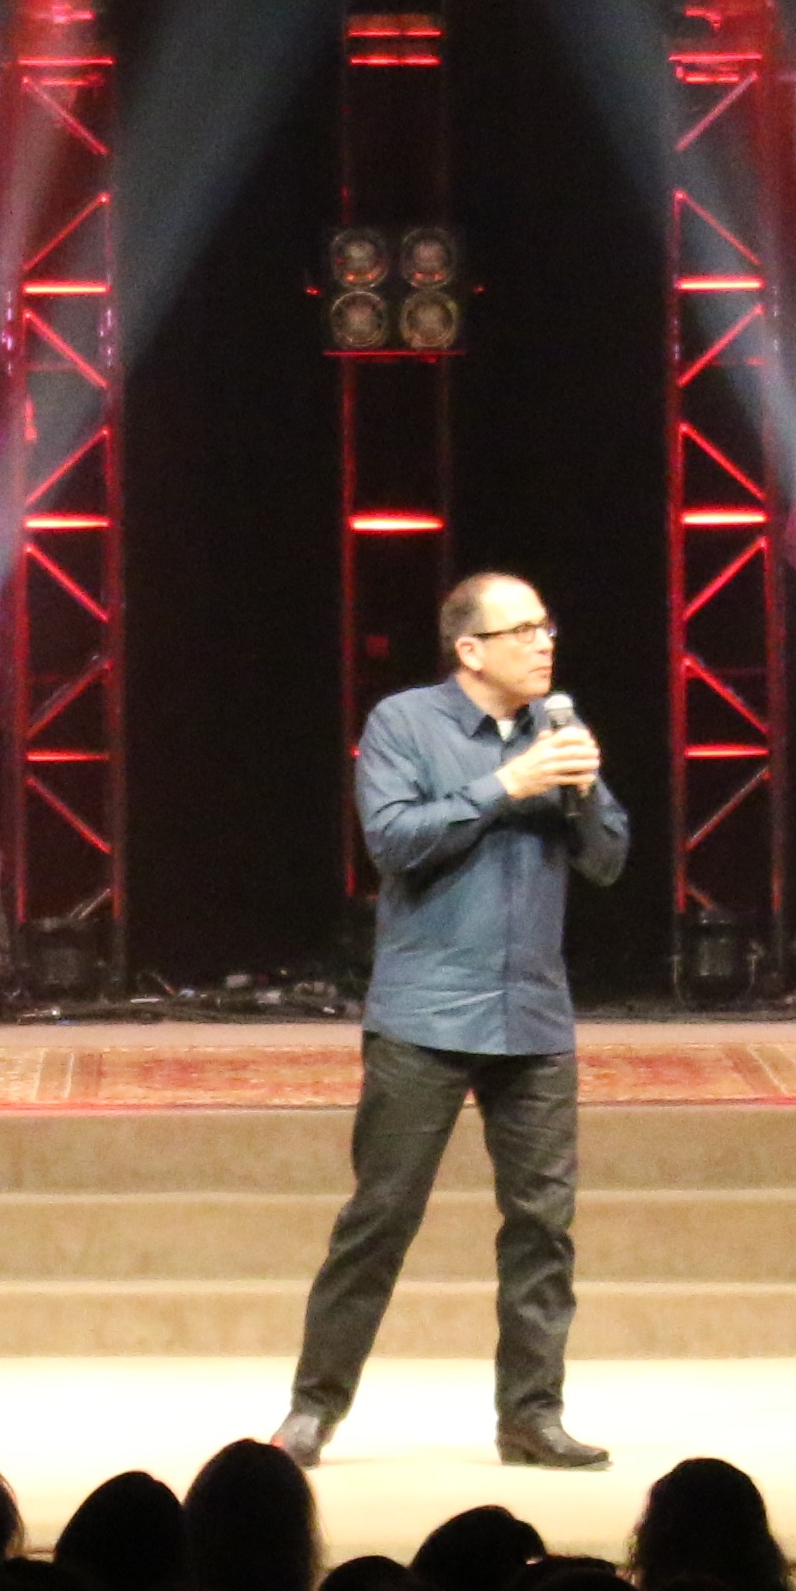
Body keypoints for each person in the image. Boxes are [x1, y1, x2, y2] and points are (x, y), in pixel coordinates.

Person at [279, 569, 631, 1470]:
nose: (543, 643)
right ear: (469, 650)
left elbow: (610, 864)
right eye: (521, 631)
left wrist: (584, 791)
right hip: (427, 1012)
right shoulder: (406, 722)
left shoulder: (560, 726)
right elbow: (393, 841)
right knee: (382, 1214)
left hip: (535, 1016)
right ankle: (314, 1409)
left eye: (547, 627)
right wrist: (505, 785)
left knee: (543, 1226)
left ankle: (532, 1416)